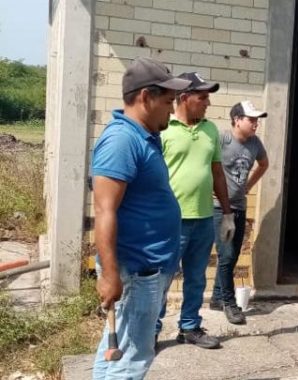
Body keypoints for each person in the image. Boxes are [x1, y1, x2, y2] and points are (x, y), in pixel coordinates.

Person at [91, 57, 191, 379]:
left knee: (115, 351)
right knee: (131, 361)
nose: (172, 109)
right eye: (167, 101)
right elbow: (104, 210)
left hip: (147, 270)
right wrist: (109, 275)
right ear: (146, 97)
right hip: (136, 271)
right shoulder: (122, 141)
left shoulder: (146, 135)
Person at [156, 72, 235, 350]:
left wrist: (227, 213)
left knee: (197, 277)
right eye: (203, 97)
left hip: (203, 218)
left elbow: (217, 171)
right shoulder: (164, 128)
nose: (208, 103)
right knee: (162, 278)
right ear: (184, 98)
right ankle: (151, 330)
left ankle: (189, 327)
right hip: (171, 220)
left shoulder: (210, 130)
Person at [208, 101, 269, 325]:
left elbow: (264, 164)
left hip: (240, 207)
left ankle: (216, 298)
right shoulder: (222, 139)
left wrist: (248, 186)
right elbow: (209, 166)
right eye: (251, 119)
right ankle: (230, 304)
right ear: (236, 119)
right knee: (226, 256)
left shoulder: (255, 144)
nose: (255, 124)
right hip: (218, 206)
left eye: (257, 120)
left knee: (232, 255)